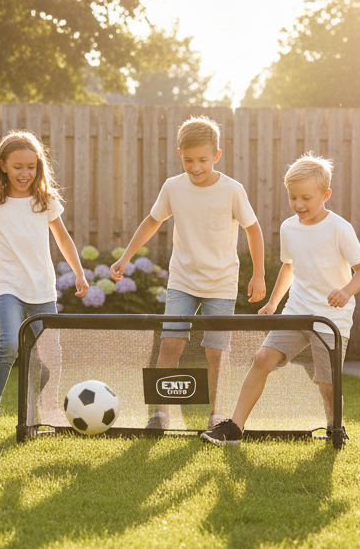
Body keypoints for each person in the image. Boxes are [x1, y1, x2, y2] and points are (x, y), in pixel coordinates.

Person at [200, 154, 360, 445]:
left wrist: (346, 291)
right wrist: (273, 303)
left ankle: (335, 426)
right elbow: (289, 266)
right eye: (293, 197)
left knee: (327, 384)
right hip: (296, 310)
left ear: (326, 195)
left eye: (306, 197)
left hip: (330, 319)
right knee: (262, 358)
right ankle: (234, 428)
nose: (299, 204)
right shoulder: (289, 227)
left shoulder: (339, 228)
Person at [110, 116, 265, 429]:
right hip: (182, 281)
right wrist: (126, 257)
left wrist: (258, 274)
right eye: (189, 160)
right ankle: (160, 414)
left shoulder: (231, 190)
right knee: (170, 344)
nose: (196, 167)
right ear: (180, 154)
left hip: (221, 283)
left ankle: (217, 415)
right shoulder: (173, 187)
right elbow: (152, 221)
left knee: (216, 351)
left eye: (204, 161)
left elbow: (253, 229)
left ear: (217, 156)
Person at [0, 131, 88, 437]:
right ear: (3, 165)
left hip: (41, 288)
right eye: (18, 166)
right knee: (9, 343)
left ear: (39, 167)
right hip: (7, 285)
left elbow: (62, 237)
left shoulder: (44, 201)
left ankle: (47, 409)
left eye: (31, 167)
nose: (25, 173)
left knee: (52, 353)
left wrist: (79, 272)